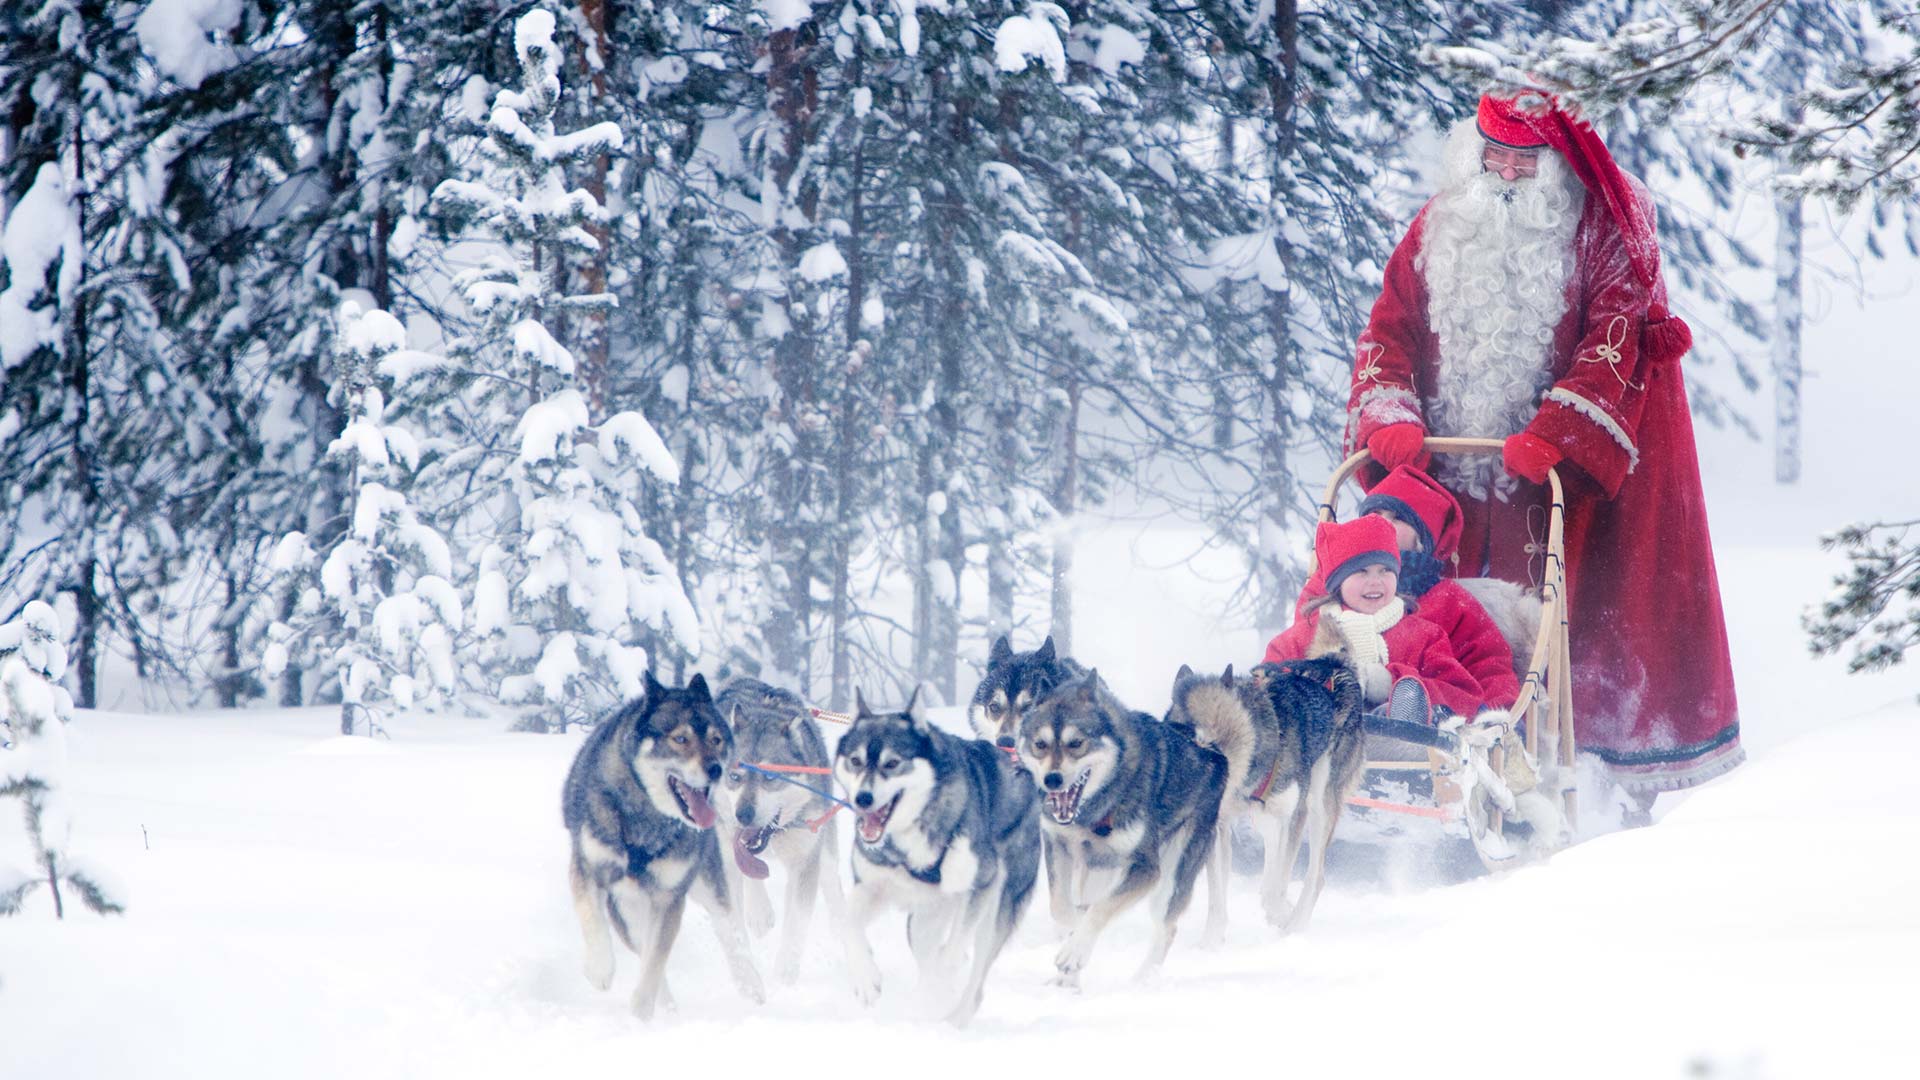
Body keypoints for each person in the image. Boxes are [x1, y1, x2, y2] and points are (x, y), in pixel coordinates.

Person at [1341, 89, 1741, 800]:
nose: (1503, 173)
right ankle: (1413, 736)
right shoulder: (1439, 223)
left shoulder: (1607, 229)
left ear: (1554, 165)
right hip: (1448, 476)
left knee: (1567, 623)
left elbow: (1617, 337)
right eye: (1492, 155)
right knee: (1421, 604)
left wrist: (1558, 431)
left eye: (1522, 161)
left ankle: (1587, 775)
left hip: (1564, 483)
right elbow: (1389, 328)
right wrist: (1388, 414)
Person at [1296, 465, 1521, 711]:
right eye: (1375, 513)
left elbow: (1488, 665)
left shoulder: (1449, 601)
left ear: (1422, 539)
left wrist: (1496, 721)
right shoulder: (1329, 580)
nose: (1380, 523)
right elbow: (1298, 643)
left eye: (1398, 518)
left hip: (1418, 721)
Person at [1264, 516, 1485, 720]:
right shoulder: (1306, 634)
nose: (1375, 581)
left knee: (1406, 710)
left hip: (1402, 751)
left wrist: (1394, 683)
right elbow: (1268, 684)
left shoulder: (1423, 635)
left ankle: (1400, 717)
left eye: (1385, 570)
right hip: (1324, 745)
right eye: (1361, 571)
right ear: (1338, 582)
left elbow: (1464, 696)